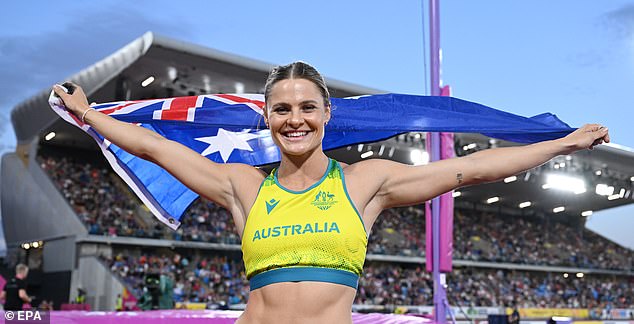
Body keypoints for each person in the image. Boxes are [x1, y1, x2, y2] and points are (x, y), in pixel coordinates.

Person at [52, 61, 610, 323]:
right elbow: (153, 148)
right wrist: (87, 114)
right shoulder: (242, 185)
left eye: (306, 107)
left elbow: (474, 169)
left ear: (326, 115)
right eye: (282, 109)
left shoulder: (366, 183)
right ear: (267, 118)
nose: (294, 120)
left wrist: (559, 145)